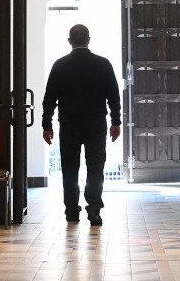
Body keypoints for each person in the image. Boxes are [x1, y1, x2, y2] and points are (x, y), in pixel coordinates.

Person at [42, 24, 121, 226]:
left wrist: (47, 125)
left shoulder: (60, 65)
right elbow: (113, 96)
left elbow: (49, 99)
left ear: (69, 41)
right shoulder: (103, 64)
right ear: (89, 39)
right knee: (95, 168)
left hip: (69, 125)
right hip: (96, 125)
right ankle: (94, 210)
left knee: (69, 169)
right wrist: (116, 122)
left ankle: (71, 211)